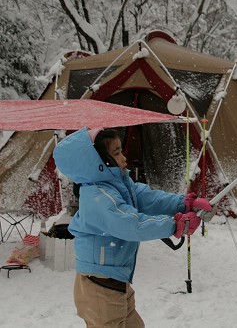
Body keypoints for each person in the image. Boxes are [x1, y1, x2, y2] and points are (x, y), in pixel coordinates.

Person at [53, 127, 212, 327]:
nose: (124, 158)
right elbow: (131, 224)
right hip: (100, 288)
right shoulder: (98, 196)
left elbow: (149, 198)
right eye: (117, 153)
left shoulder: (119, 185)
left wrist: (183, 204)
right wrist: (175, 225)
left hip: (115, 283)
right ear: (98, 164)